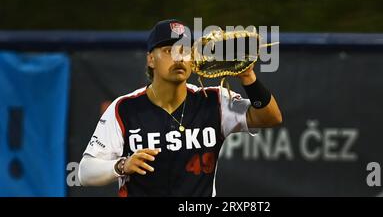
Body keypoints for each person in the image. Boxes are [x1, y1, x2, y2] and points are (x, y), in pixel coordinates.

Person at [78, 19, 282, 196]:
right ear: (151, 59)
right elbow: (85, 173)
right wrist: (122, 165)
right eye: (168, 51)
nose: (178, 57)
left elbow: (270, 117)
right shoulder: (125, 108)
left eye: (184, 50)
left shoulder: (214, 100)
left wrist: (248, 78)